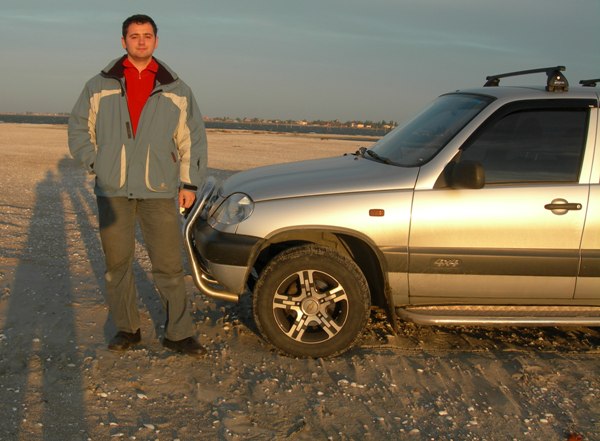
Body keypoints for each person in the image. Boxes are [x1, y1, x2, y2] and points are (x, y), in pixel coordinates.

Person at [68, 14, 207, 357]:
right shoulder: (98, 85)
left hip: (158, 189)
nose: (141, 41)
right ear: (123, 41)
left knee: (169, 265)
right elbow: (79, 129)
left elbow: (192, 139)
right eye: (134, 36)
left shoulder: (176, 89)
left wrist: (189, 183)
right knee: (117, 265)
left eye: (147, 35)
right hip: (113, 189)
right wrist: (98, 164)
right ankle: (127, 329)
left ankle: (179, 333)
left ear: (156, 41)